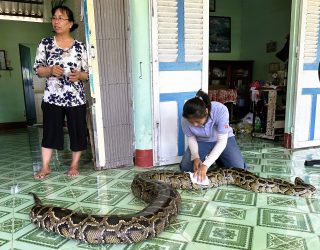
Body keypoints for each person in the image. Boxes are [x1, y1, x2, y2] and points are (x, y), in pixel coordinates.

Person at [33, 5, 89, 179]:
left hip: (76, 98)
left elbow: (89, 75)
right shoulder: (46, 43)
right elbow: (38, 69)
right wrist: (50, 70)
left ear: (70, 23)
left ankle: (74, 165)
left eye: (61, 18)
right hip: (52, 97)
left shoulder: (80, 47)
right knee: (50, 131)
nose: (56, 21)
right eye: (54, 17)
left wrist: (80, 75)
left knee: (77, 131)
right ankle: (45, 166)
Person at [180, 89, 246, 182]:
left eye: (197, 121)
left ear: (206, 112)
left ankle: (217, 158)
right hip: (201, 141)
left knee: (238, 169)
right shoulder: (185, 119)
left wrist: (205, 165)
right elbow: (191, 138)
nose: (194, 125)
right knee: (186, 168)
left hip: (224, 139)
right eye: (191, 122)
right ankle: (215, 157)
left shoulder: (220, 110)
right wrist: (195, 157)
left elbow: (222, 141)